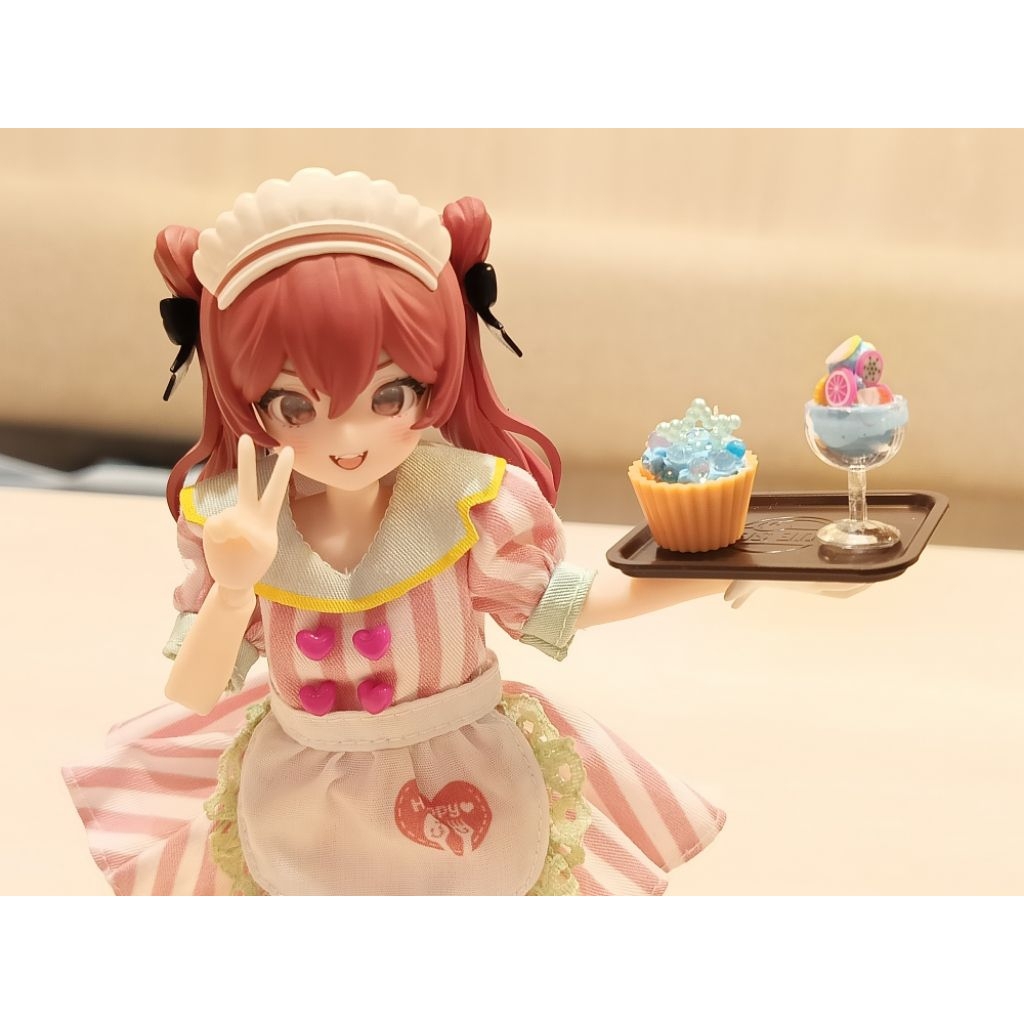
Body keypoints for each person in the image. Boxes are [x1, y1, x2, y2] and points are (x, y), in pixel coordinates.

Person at [62, 169, 728, 895]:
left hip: (464, 770)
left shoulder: (471, 504)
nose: (348, 437)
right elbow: (193, 691)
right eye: (295, 405)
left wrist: (712, 573)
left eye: (389, 395)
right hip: (305, 791)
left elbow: (558, 607)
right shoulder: (236, 519)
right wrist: (230, 589)